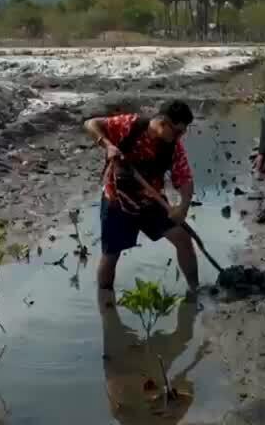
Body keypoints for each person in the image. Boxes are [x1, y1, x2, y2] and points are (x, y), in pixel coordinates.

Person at [84, 101, 198, 293]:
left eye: (183, 133)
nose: (179, 137)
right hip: (117, 201)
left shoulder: (173, 147)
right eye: (177, 132)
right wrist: (108, 145)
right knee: (110, 256)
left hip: (150, 202)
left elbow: (185, 180)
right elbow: (91, 124)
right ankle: (106, 303)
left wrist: (183, 209)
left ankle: (195, 290)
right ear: (163, 123)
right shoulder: (129, 126)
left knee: (183, 240)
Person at [97, 289, 201, 423]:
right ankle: (192, 294)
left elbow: (117, 406)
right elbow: (187, 397)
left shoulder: (124, 414)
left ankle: (192, 295)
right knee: (185, 336)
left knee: (184, 337)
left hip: (128, 370)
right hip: (143, 368)